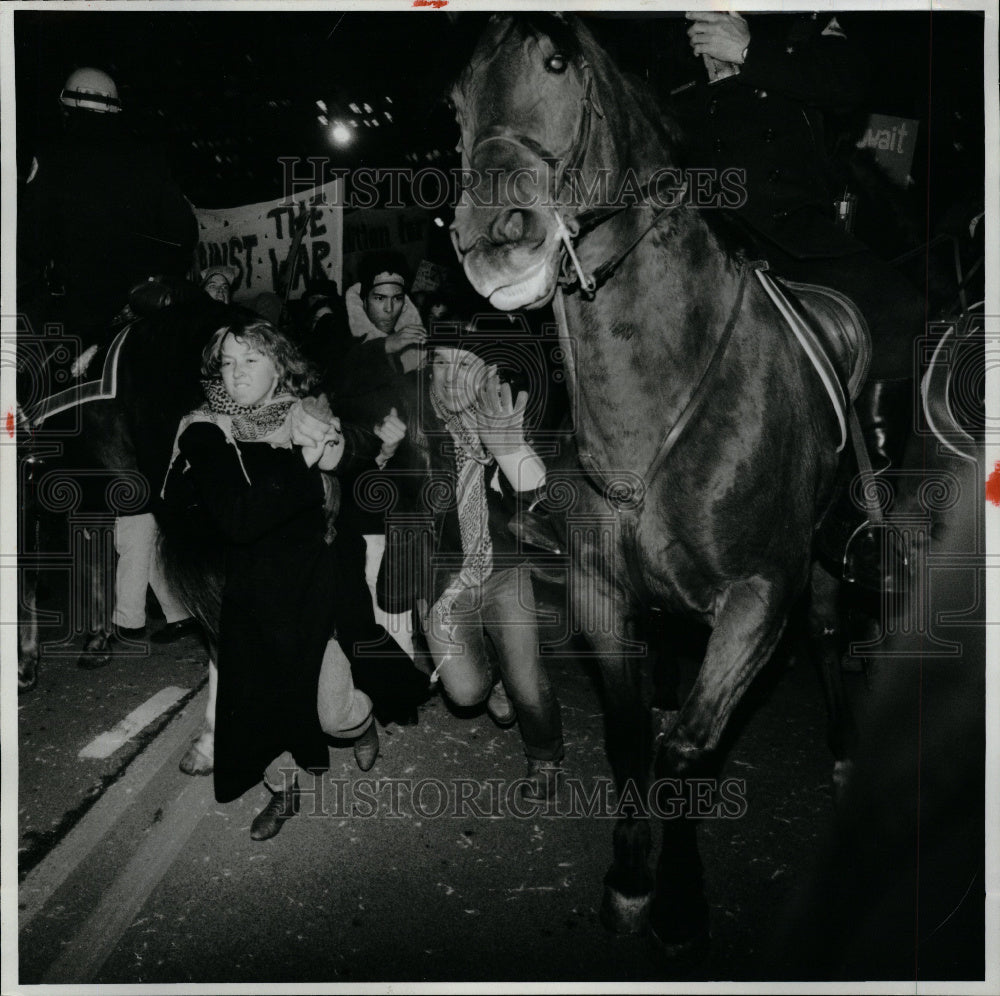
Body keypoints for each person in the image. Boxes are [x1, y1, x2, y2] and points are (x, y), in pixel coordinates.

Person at [162, 318, 378, 840]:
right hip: (240, 593)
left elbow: (360, 448)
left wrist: (330, 446)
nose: (236, 374)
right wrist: (301, 466)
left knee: (335, 715)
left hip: (307, 590)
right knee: (254, 711)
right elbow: (216, 512)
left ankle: (364, 722)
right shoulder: (203, 425)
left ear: (279, 366)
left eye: (251, 360)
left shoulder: (301, 414)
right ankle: (284, 788)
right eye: (227, 363)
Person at [387, 329, 565, 802]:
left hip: (506, 568)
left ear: (488, 374)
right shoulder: (412, 416)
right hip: (443, 575)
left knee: (527, 680)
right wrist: (380, 450)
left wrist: (507, 447)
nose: (448, 376)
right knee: (465, 693)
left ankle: (545, 757)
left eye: (464, 365)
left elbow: (543, 500)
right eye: (441, 363)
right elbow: (366, 432)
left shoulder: (507, 415)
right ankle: (495, 672)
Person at [19, 67, 198, 358]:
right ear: (114, 107)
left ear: (69, 106)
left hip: (78, 313)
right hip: (142, 304)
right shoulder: (149, 155)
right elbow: (183, 234)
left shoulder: (52, 155)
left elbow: (31, 244)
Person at [320, 252, 429, 663]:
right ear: (363, 298)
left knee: (397, 577)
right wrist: (388, 346)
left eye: (396, 298)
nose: (388, 307)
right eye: (379, 297)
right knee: (362, 573)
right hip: (354, 481)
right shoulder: (339, 334)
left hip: (403, 485)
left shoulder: (420, 340)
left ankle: (398, 668)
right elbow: (340, 378)